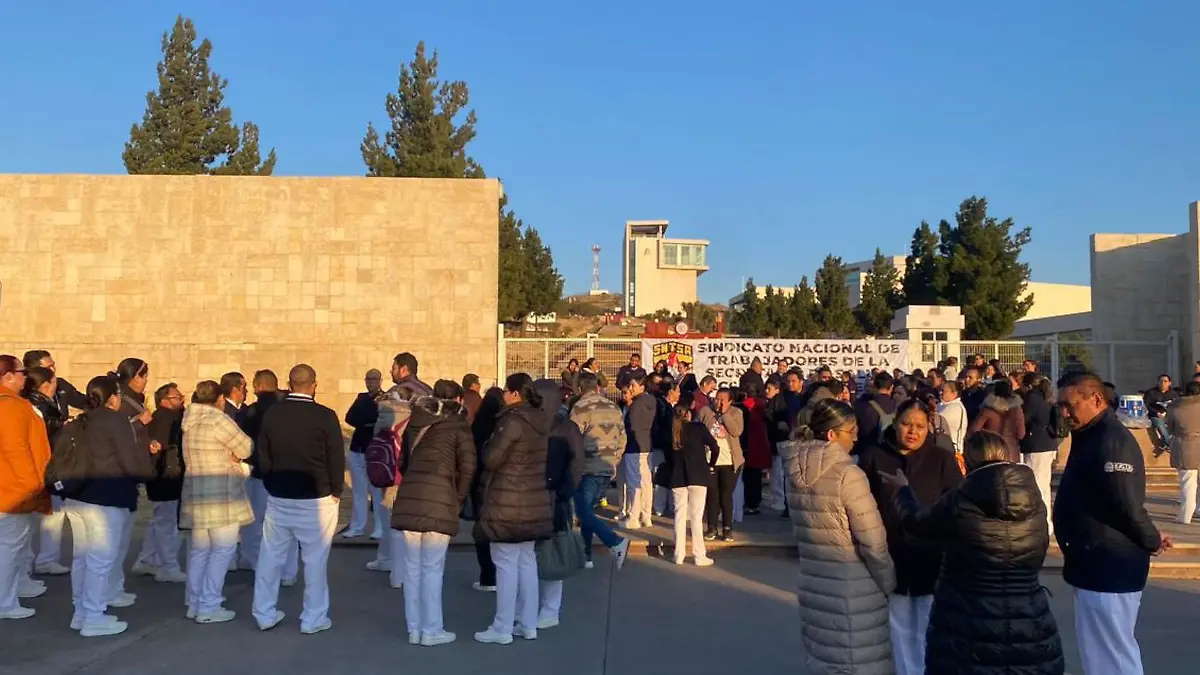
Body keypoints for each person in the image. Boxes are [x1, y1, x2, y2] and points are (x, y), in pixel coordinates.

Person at [881, 430, 1064, 674]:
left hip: (969, 617)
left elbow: (917, 523)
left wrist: (903, 492)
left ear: (967, 461)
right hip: (1029, 616)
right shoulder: (1035, 503)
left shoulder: (961, 501)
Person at [1054, 371, 1168, 675]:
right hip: (1093, 562)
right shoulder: (1091, 436)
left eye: (1069, 405)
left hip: (1109, 563)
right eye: (1060, 406)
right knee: (1098, 655)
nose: (1064, 413)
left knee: (1112, 657)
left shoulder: (1110, 440)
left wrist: (1152, 540)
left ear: (1095, 399)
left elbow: (1126, 505)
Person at [782, 398, 895, 675]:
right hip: (854, 586)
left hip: (814, 580)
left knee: (826, 659)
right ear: (832, 435)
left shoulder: (794, 471)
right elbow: (873, 541)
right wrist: (889, 582)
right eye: (851, 430)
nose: (856, 436)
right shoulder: (848, 474)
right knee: (859, 663)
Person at [857, 399, 963, 675]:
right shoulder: (874, 456)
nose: (912, 431)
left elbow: (956, 502)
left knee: (930, 622)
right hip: (890, 553)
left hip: (931, 555)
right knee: (899, 623)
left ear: (929, 427)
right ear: (895, 423)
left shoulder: (941, 458)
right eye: (906, 424)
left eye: (919, 426)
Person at [252, 364, 345, 635]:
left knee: (271, 556)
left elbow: (263, 454)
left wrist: (271, 482)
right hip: (316, 498)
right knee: (315, 560)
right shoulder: (325, 416)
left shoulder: (273, 414)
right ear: (313, 385)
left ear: (290, 384)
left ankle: (264, 612)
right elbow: (335, 456)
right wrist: (336, 490)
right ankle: (312, 618)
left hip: (280, 494)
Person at [64, 374, 155, 636]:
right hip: (105, 497)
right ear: (113, 398)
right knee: (100, 559)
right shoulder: (114, 420)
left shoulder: (81, 420)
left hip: (77, 495)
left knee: (82, 558)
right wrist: (143, 474)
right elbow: (129, 459)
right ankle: (93, 615)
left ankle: (81, 613)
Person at [390, 380, 476, 647]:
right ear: (458, 400)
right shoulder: (459, 426)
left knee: (412, 569)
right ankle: (432, 629)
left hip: (411, 499)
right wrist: (458, 498)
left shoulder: (416, 422)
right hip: (441, 498)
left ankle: (414, 629)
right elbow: (469, 466)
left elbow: (403, 462)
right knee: (432, 569)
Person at [473, 373, 554, 645]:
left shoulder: (511, 421)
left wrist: (486, 445)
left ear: (515, 394)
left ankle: (502, 627)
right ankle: (528, 623)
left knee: (505, 564)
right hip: (532, 499)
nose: (504, 396)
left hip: (507, 501)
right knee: (527, 563)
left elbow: (492, 458)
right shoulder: (540, 422)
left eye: (507, 391)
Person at [179, 380, 254, 624]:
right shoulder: (218, 420)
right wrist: (233, 455)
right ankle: (209, 605)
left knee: (200, 550)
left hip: (196, 492)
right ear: (220, 399)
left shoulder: (188, 421)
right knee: (222, 550)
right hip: (221, 493)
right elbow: (246, 447)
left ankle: (194, 600)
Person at [0, 355, 52, 620]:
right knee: (10, 548)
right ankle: (5, 603)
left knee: (11, 548)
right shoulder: (10, 406)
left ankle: (11, 593)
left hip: (8, 487)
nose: (25, 378)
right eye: (21, 373)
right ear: (8, 376)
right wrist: (32, 484)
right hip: (12, 491)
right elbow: (15, 449)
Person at [533, 379, 584, 629]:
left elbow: (576, 464)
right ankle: (539, 607)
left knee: (553, 554)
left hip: (552, 498)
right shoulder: (559, 426)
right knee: (533, 556)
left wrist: (564, 491)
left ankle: (550, 609)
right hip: (539, 496)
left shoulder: (566, 428)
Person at [236, 370, 296, 578]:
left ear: (259, 386)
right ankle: (287, 571)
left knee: (256, 520)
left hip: (260, 472)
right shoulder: (287, 410)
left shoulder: (252, 411)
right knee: (286, 523)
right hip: (286, 472)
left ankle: (254, 561)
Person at [569, 371, 631, 569]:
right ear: (597, 386)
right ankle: (586, 555)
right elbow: (623, 438)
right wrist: (614, 458)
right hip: (607, 466)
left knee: (583, 511)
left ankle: (614, 541)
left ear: (580, 388)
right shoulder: (613, 407)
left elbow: (572, 438)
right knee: (587, 510)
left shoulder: (580, 408)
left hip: (587, 467)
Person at [110, 358, 157, 610]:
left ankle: (115, 587)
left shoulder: (133, 400)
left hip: (131, 472)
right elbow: (116, 431)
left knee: (122, 538)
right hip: (121, 475)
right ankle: (110, 590)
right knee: (115, 540)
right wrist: (140, 423)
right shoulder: (122, 400)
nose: (146, 380)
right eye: (143, 375)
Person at [132, 382, 187, 584]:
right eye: (176, 396)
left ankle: (147, 559)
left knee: (160, 521)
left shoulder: (164, 419)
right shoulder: (166, 420)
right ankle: (168, 566)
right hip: (168, 477)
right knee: (168, 524)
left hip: (163, 477)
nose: (181, 399)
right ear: (164, 401)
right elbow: (163, 450)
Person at [20, 366, 69, 577]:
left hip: (47, 467)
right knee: (34, 522)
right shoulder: (36, 408)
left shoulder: (43, 405)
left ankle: (40, 563)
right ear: (45, 384)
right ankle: (32, 568)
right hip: (43, 468)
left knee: (46, 518)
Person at [666, 404, 717, 566]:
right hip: (698, 475)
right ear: (688, 414)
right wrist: (711, 464)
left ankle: (678, 553)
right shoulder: (698, 428)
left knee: (680, 514)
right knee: (696, 516)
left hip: (678, 476)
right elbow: (714, 447)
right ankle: (699, 554)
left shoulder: (672, 431)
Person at [469, 386, 507, 592]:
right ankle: (502, 574)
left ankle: (487, 576)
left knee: (482, 531)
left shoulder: (477, 426)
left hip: (479, 484)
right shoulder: (504, 425)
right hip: (500, 484)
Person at [696, 388, 744, 541]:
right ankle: (711, 527)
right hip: (711, 460)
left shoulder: (736, 413)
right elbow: (699, 430)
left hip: (730, 461)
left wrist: (724, 414)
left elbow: (736, 431)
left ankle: (727, 528)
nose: (719, 402)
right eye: (717, 398)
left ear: (730, 401)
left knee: (726, 495)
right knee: (712, 495)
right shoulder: (705, 411)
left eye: (723, 399)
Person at [343, 369, 383, 540]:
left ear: (380, 380)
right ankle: (357, 526)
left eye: (373, 379)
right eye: (368, 379)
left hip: (374, 449)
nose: (370, 382)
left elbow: (381, 418)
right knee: (359, 491)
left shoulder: (385, 398)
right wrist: (367, 421)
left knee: (377, 492)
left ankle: (380, 527)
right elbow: (350, 418)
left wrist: (367, 420)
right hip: (358, 447)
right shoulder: (361, 398)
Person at [1020, 373, 1058, 536]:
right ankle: (1046, 522)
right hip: (1048, 443)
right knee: (1044, 483)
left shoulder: (1032, 399)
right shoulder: (1046, 397)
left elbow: (1025, 420)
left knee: (1036, 484)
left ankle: (1041, 523)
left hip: (1036, 445)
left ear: (1028, 385)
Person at [621, 373, 657, 530]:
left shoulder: (636, 405)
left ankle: (634, 516)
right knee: (646, 482)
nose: (630, 388)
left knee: (634, 483)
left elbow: (630, 427)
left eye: (633, 386)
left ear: (642, 386)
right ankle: (646, 515)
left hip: (633, 447)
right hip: (647, 445)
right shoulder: (652, 401)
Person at [967, 379, 1025, 462]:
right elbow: (1021, 434)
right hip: (1011, 451)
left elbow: (974, 430)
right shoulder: (1017, 410)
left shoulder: (987, 409)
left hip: (991, 451)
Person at [1167, 381, 1200, 524]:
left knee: (1188, 483)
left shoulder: (1175, 407)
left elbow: (1171, 429)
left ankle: (1185, 516)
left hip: (1186, 445)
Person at [740, 381, 771, 514]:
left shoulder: (745, 405)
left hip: (749, 441)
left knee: (748, 475)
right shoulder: (764, 404)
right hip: (761, 440)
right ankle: (756, 503)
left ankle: (749, 503)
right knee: (757, 474)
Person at [853, 372, 897, 457]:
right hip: (891, 454)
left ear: (874, 386)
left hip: (866, 453)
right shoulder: (899, 406)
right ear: (891, 387)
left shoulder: (861, 406)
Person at [1144, 374, 1179, 449]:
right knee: (1159, 424)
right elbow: (1146, 405)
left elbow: (1177, 406)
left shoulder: (1174, 394)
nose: (1163, 383)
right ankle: (1170, 444)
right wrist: (1156, 413)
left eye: (1165, 381)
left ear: (1170, 383)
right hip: (1155, 415)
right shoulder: (1150, 393)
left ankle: (1167, 443)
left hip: (1170, 415)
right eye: (1161, 381)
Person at [937, 381, 967, 454]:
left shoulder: (955, 407)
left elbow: (936, 422)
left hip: (952, 450)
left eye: (943, 391)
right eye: (940, 390)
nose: (940, 393)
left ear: (954, 394)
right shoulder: (942, 404)